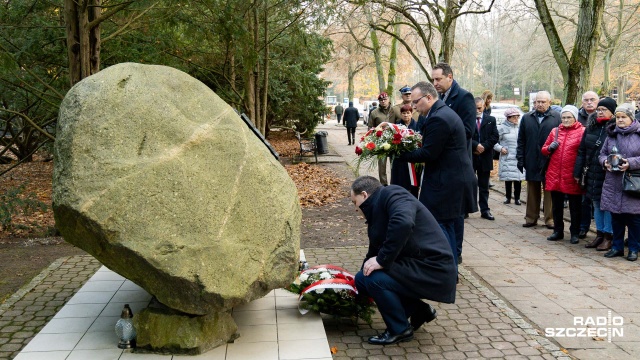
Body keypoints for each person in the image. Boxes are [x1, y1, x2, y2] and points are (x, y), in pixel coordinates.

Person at [350, 176, 457, 345]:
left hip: (432, 267)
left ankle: (399, 329)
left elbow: (403, 222)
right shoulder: (377, 209)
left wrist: (382, 260)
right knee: (362, 279)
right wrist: (362, 271)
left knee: (374, 279)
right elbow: (375, 247)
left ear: (364, 195)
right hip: (414, 264)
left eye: (354, 202)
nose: (356, 209)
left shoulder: (394, 193)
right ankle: (419, 310)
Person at [399, 81, 477, 266]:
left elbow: (429, 153)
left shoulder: (438, 118)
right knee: (448, 225)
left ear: (428, 97)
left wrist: (400, 153)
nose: (414, 106)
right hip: (451, 179)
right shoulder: (440, 113)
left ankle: (448, 271)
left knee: (443, 227)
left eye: (416, 102)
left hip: (448, 183)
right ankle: (449, 269)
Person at [432, 62, 477, 265]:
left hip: (457, 161)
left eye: (438, 79)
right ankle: (446, 250)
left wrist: (441, 135)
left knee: (456, 213)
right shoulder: (439, 97)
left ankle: (456, 253)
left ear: (450, 77)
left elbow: (468, 130)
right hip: (440, 161)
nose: (435, 83)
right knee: (445, 213)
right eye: (433, 79)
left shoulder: (464, 97)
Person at [574, 97, 616, 250]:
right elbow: (582, 150)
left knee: (607, 205)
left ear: (612, 113)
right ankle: (599, 234)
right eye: (599, 109)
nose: (599, 112)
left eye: (603, 110)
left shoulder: (615, 129)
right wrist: (578, 171)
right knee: (596, 203)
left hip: (608, 173)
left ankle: (608, 236)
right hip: (591, 171)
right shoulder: (591, 127)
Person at [599, 104, 640, 262]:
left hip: (633, 182)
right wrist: (605, 163)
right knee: (616, 217)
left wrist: (630, 163)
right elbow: (602, 154)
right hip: (613, 181)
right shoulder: (611, 134)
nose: (620, 120)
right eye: (618, 117)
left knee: (634, 219)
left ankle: (633, 249)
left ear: (631, 117)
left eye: (624, 117)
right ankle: (617, 247)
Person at [516, 90, 561, 229]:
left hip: (549, 159)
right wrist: (520, 158)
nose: (539, 104)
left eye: (542, 102)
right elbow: (521, 140)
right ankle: (531, 217)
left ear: (549, 103)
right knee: (532, 190)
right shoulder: (527, 118)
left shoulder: (557, 118)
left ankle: (550, 219)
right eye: (537, 102)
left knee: (549, 190)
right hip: (531, 158)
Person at [541, 105, 585, 243]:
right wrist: (549, 148)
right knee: (557, 205)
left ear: (575, 118)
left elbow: (584, 152)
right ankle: (558, 230)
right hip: (555, 173)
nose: (565, 120)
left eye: (569, 117)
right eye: (563, 117)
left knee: (575, 206)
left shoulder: (582, 131)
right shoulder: (555, 131)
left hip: (572, 174)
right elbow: (543, 149)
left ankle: (575, 232)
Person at [575, 91, 599, 238]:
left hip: (599, 166)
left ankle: (602, 232)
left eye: (592, 100)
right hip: (584, 165)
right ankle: (583, 227)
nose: (589, 102)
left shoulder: (604, 118)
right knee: (584, 200)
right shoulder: (576, 117)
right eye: (586, 100)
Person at [472, 97, 499, 220]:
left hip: (485, 156)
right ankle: (467, 209)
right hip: (471, 156)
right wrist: (475, 145)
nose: (477, 110)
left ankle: (485, 210)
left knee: (484, 186)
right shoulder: (468, 119)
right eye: (475, 108)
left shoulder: (490, 120)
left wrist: (483, 146)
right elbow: (464, 135)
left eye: (479, 108)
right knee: (468, 184)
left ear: (484, 107)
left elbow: (495, 136)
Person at [494, 108, 525, 205]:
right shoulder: (501, 128)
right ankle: (508, 197)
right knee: (508, 178)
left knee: (518, 179)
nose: (516, 119)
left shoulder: (520, 127)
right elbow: (493, 141)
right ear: (508, 118)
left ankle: (517, 198)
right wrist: (500, 148)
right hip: (507, 156)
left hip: (518, 156)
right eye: (514, 117)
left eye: (517, 117)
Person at [390, 105, 420, 197]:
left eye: (408, 113)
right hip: (400, 160)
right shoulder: (396, 127)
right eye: (403, 113)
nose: (406, 115)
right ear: (400, 114)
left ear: (412, 114)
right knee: (400, 183)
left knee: (413, 184)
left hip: (414, 160)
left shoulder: (418, 126)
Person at [369, 92, 392, 185]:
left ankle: (394, 183)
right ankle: (384, 184)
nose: (383, 101)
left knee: (394, 164)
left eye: (385, 99)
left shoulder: (394, 111)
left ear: (388, 99)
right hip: (380, 142)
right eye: (381, 100)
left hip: (394, 141)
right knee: (382, 165)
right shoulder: (374, 113)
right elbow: (371, 128)